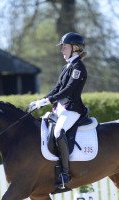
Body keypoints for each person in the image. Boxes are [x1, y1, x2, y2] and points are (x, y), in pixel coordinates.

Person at [29, 32, 88, 188]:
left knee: (58, 132)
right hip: (61, 108)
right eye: (62, 47)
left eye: (65, 47)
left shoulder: (78, 67)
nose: (62, 50)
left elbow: (68, 90)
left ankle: (65, 173)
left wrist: (48, 100)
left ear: (75, 48)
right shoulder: (67, 66)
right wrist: (40, 101)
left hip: (72, 109)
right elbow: (57, 88)